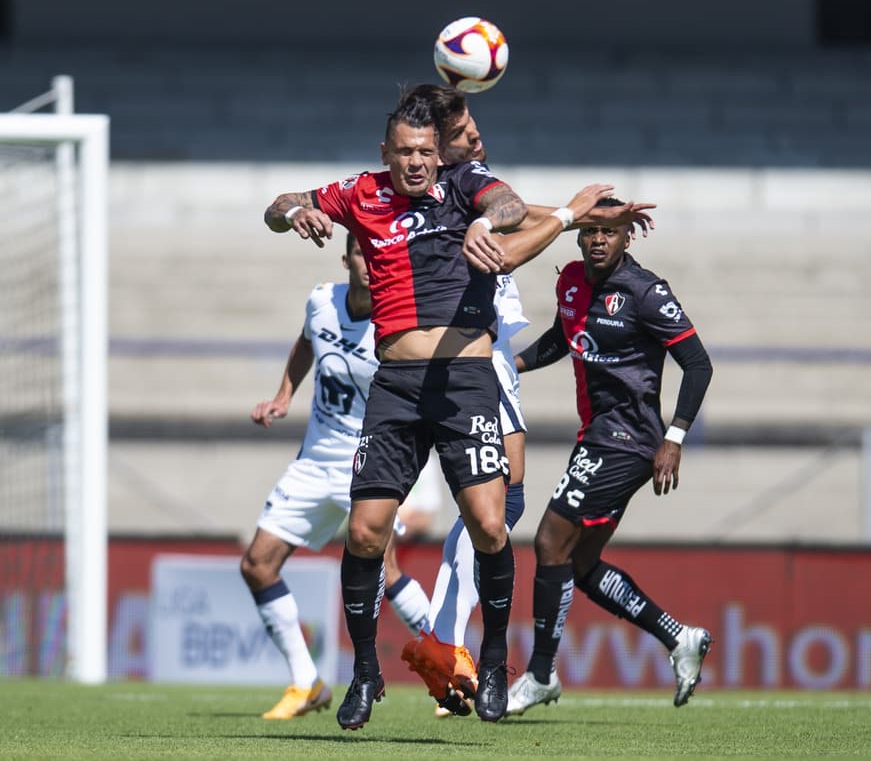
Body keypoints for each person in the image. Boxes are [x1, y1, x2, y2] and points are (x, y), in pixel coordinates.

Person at [265, 94, 616, 729]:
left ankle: (486, 660)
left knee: (489, 525)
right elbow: (279, 203)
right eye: (405, 152)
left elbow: (508, 205)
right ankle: (365, 675)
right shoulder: (361, 193)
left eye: (427, 151)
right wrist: (294, 212)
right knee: (365, 532)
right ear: (385, 153)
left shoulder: (464, 184)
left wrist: (488, 223)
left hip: (465, 380)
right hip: (396, 384)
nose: (418, 163)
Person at [504, 208, 715, 716]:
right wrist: (515, 364)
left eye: (609, 232)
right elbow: (563, 337)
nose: (598, 240)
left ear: (626, 237)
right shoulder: (573, 282)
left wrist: (675, 438)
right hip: (597, 435)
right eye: (590, 231)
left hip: (629, 439)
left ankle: (540, 674)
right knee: (579, 563)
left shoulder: (644, 291)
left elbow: (698, 364)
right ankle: (679, 636)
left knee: (551, 539)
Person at [241, 233, 434, 719]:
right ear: (346, 256)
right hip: (313, 463)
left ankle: (447, 660)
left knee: (385, 567)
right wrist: (284, 395)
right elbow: (306, 342)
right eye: (360, 253)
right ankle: (307, 681)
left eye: (378, 255)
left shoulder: (400, 322)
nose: (369, 263)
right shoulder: (321, 301)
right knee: (257, 564)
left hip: (367, 461)